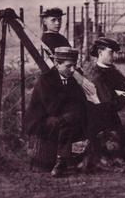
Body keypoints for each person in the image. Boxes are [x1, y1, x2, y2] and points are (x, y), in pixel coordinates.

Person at [24, 47, 87, 177]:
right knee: (66, 121)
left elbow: (81, 102)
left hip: (61, 117)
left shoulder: (71, 80)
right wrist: (72, 107)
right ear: (57, 64)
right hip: (40, 120)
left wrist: (72, 109)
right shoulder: (46, 80)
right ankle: (62, 161)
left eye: (74, 66)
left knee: (77, 119)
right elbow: (53, 107)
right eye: (68, 66)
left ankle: (72, 159)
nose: (73, 70)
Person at [84, 37, 125, 170]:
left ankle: (118, 154)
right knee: (111, 142)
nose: (115, 56)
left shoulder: (112, 69)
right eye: (111, 52)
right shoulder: (96, 75)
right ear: (100, 52)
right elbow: (110, 104)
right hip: (100, 119)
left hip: (110, 113)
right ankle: (107, 157)